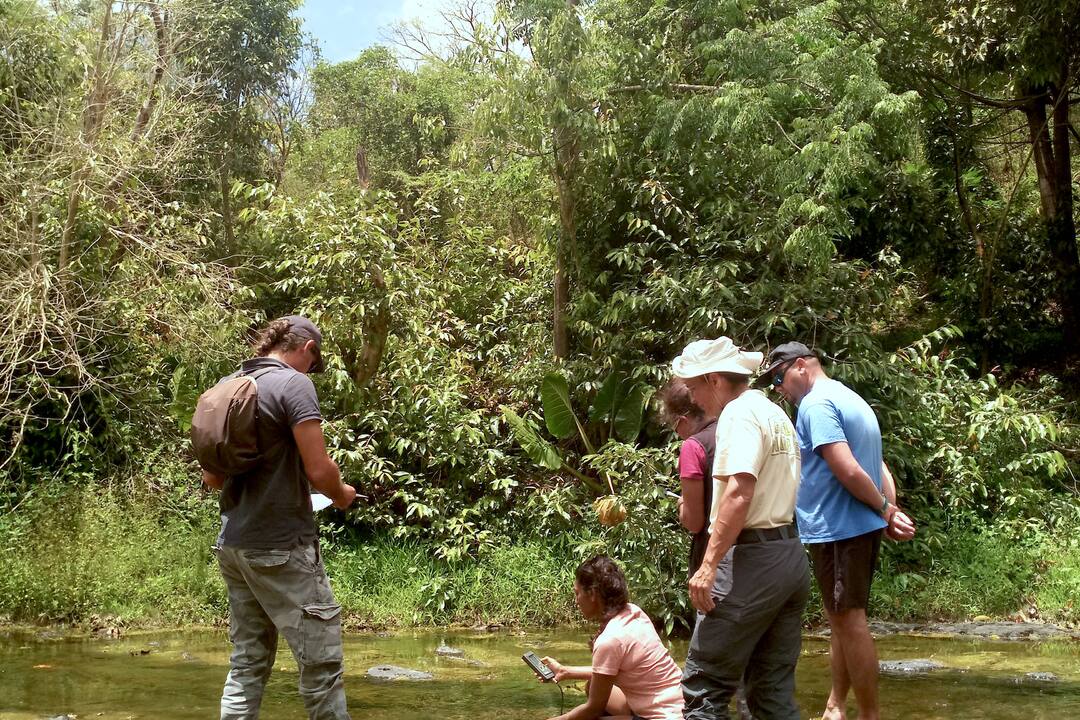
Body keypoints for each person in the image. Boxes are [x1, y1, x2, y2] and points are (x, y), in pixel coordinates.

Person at [201, 315, 357, 720]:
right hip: (281, 546)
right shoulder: (294, 384)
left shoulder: (228, 386)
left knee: (248, 661)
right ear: (306, 348)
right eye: (314, 362)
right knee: (321, 665)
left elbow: (213, 478)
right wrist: (342, 496)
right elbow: (319, 471)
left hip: (234, 543)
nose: (312, 371)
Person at [760, 342, 915, 720]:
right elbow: (879, 465)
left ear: (801, 366)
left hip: (838, 528)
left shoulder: (816, 405)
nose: (779, 388)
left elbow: (847, 468)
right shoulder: (849, 397)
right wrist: (888, 510)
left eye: (779, 378)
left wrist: (885, 509)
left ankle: (868, 715)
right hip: (853, 526)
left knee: (850, 620)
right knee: (840, 619)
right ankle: (835, 705)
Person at [672, 337, 810, 720]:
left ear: (715, 380)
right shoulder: (776, 413)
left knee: (704, 687)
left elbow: (738, 491)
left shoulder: (737, 415)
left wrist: (709, 564)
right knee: (770, 693)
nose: (695, 399)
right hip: (789, 557)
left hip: (750, 563)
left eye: (696, 387)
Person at [541, 556, 684, 720]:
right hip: (681, 705)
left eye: (577, 593)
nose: (576, 601)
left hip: (663, 717)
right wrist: (564, 671)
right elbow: (608, 672)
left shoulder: (609, 640)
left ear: (592, 593)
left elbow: (593, 709)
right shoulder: (633, 612)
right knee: (592, 688)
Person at [657, 379, 718, 579]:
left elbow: (693, 522)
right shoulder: (732, 429)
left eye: (675, 428)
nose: (678, 434)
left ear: (682, 420)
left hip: (713, 556)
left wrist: (682, 504)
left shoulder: (693, 446)